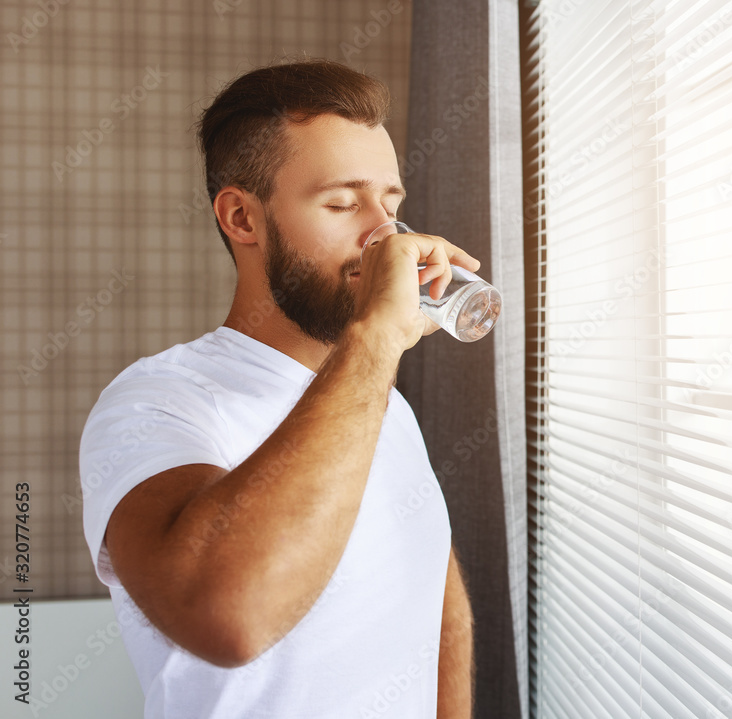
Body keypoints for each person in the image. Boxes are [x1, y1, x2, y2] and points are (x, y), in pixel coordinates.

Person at [79, 59, 475, 718]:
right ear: (242, 218)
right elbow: (228, 616)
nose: (385, 235)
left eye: (393, 204)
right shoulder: (158, 400)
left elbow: (435, 600)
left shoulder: (384, 401)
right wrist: (375, 338)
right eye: (343, 203)